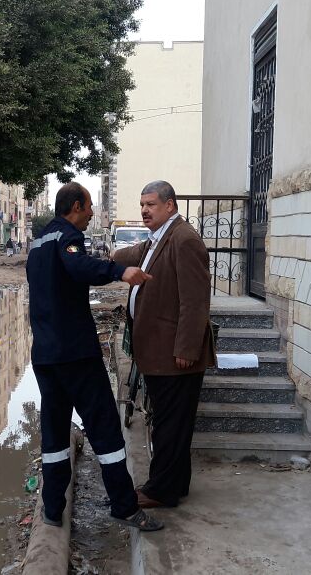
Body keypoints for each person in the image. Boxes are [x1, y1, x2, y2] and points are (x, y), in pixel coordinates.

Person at [27, 181, 163, 531]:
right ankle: (125, 507)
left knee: (55, 432)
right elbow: (79, 267)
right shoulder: (66, 239)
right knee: (104, 428)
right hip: (75, 354)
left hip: (45, 355)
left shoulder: (39, 241)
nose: (90, 214)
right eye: (87, 207)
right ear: (74, 206)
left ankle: (52, 509)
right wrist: (120, 272)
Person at [112, 180, 215, 509]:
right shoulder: (158, 239)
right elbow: (132, 254)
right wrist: (103, 260)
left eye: (151, 204)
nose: (144, 210)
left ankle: (160, 491)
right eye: (142, 204)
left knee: (169, 425)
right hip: (159, 351)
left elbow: (195, 302)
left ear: (170, 205)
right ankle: (176, 484)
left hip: (174, 354)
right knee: (173, 422)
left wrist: (186, 348)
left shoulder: (184, 240)